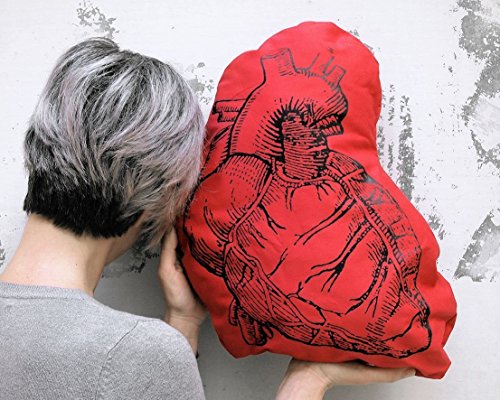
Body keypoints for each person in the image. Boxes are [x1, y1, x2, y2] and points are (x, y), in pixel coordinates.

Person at [0, 38, 414, 400]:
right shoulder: (133, 355)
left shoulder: (132, 355)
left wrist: (182, 322)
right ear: (153, 192)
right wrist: (307, 381)